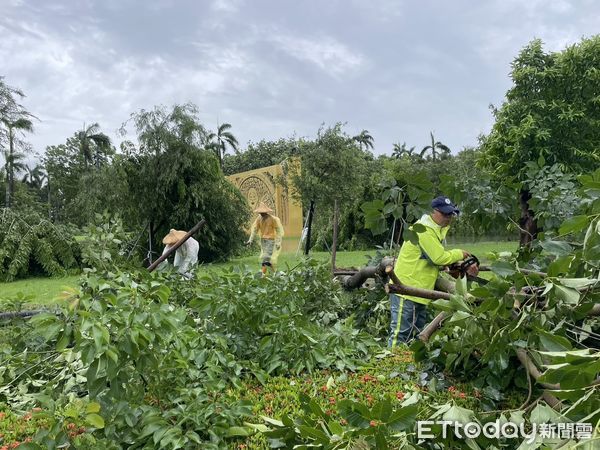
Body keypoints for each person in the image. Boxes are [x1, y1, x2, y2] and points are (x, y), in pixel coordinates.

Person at [388, 196, 476, 347]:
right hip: (406, 288)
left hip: (418, 290)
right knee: (401, 334)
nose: (448, 218)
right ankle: (392, 366)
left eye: (451, 214)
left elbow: (427, 258)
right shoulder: (423, 230)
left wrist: (447, 266)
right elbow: (438, 257)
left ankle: (409, 367)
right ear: (433, 212)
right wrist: (460, 254)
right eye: (445, 214)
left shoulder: (434, 230)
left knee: (415, 334)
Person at [246, 202, 284, 274]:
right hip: (263, 240)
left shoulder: (272, 219)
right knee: (267, 259)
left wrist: (278, 242)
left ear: (266, 212)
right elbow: (255, 230)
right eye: (260, 212)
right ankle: (276, 273)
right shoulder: (258, 219)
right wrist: (250, 240)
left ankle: (262, 275)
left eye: (263, 212)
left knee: (266, 257)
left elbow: (278, 231)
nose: (261, 214)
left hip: (270, 240)